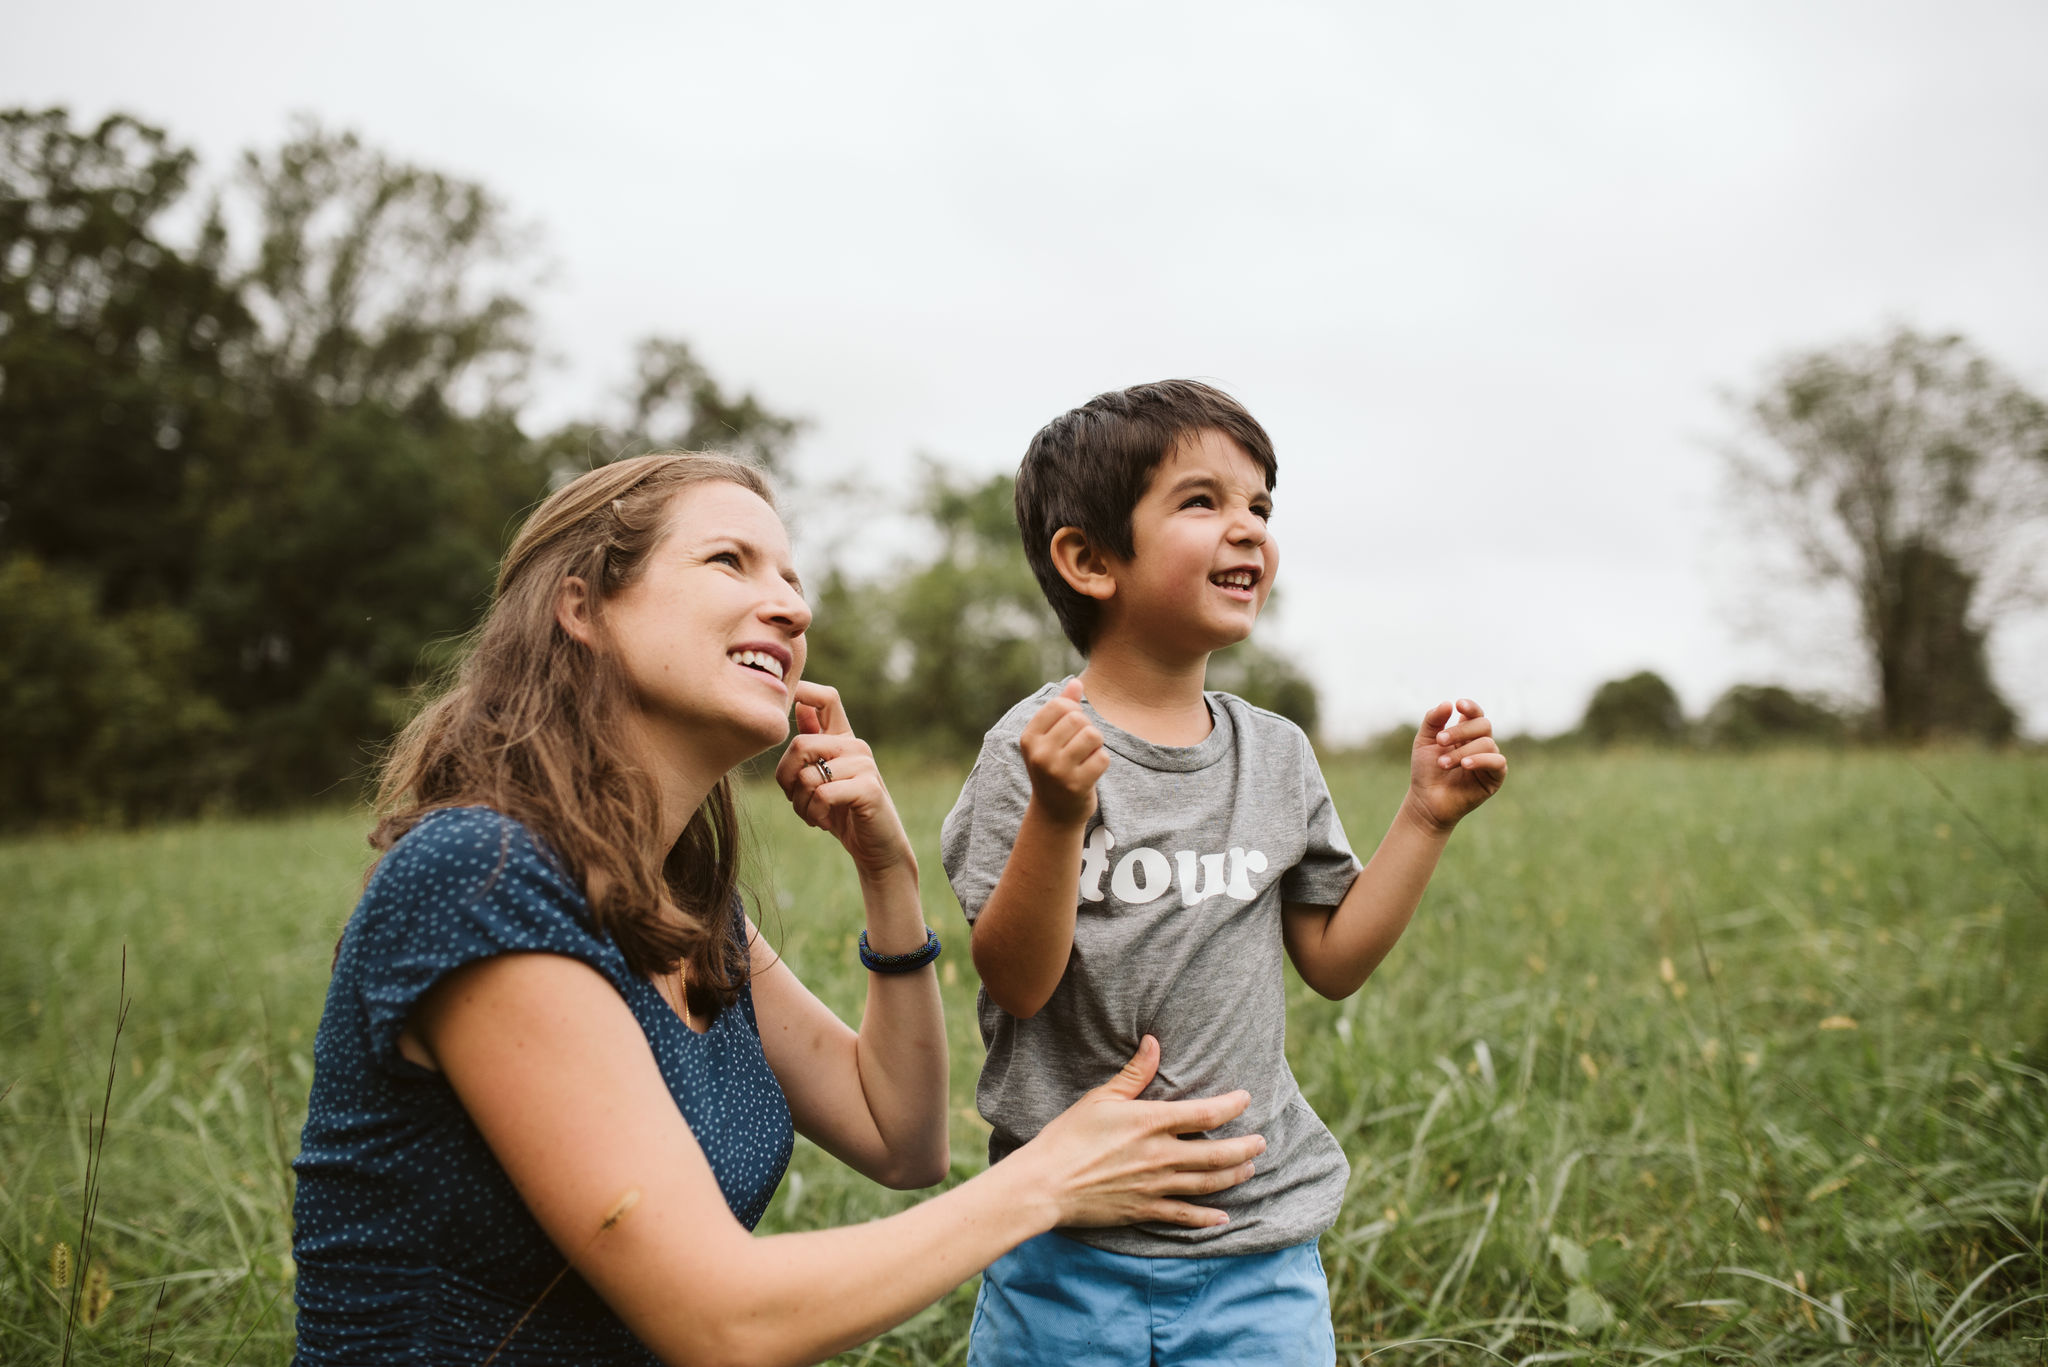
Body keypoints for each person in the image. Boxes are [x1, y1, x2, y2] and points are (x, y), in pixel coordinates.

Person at [289, 452, 1266, 1366]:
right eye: (731, 560)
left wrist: (885, 871)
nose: (789, 608)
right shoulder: (482, 874)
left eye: (792, 580)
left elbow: (901, 1136)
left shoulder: (680, 907)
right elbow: (720, 1318)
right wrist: (1048, 1178)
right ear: (580, 606)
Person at [940, 380, 1509, 1365]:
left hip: (1256, 1247)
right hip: (1064, 1244)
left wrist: (1422, 817)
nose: (1246, 529)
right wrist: (1058, 813)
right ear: (1087, 558)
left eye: (1259, 505)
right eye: (1201, 502)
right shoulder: (1032, 750)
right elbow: (1016, 980)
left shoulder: (1275, 754)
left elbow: (1331, 958)